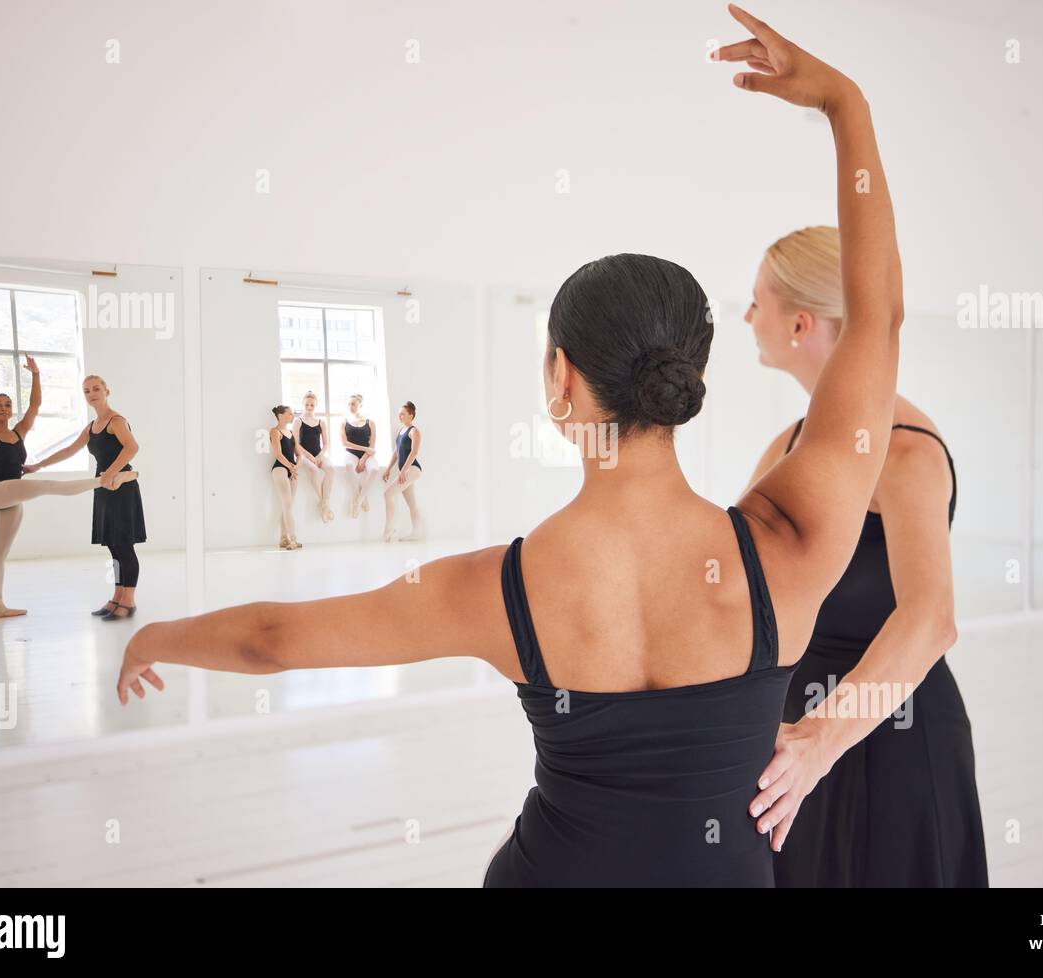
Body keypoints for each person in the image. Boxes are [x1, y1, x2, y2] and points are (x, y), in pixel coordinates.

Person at [117, 6, 904, 886]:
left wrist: (156, 636)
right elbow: (875, 320)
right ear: (688, 377)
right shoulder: (788, 549)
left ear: (560, 380)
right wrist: (843, 104)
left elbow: (272, 639)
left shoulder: (498, 589)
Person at [742, 225, 986, 886]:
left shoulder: (908, 454)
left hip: (893, 740)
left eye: (756, 302)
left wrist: (821, 738)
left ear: (799, 323)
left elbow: (931, 619)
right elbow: (735, 580)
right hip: (798, 745)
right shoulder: (787, 447)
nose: (745, 317)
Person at [0, 355, 137, 619]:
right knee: (46, 486)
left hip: (15, 494)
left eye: (7, 404)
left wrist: (35, 375)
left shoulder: (20, 431)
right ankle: (108, 479)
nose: (3, 408)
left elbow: (35, 405)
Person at [26, 375, 148, 621]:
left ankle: (129, 600)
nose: (91, 393)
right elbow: (70, 450)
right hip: (103, 485)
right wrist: (37, 465)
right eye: (86, 390)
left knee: (124, 546)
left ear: (106, 390)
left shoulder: (117, 420)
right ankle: (117, 597)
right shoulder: (92, 426)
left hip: (120, 486)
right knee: (113, 547)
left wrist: (111, 473)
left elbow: (132, 448)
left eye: (96, 388)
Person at [381, 401, 423, 542]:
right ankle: (416, 533)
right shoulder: (401, 431)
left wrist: (403, 471)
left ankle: (389, 529)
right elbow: (396, 452)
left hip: (412, 469)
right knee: (412, 504)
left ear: (411, 415)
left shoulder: (414, 431)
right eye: (399, 414)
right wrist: (388, 469)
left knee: (388, 494)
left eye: (403, 414)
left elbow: (414, 452)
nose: (400, 416)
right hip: (405, 470)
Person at [294, 391, 334, 522]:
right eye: (307, 405)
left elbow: (326, 444)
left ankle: (324, 503)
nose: (309, 407)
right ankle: (324, 504)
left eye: (312, 405)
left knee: (331, 469)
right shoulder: (298, 421)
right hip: (303, 455)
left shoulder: (321, 422)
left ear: (316, 405)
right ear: (303, 404)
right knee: (313, 470)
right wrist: (310, 456)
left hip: (319, 454)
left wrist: (320, 455)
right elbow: (295, 444)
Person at [340, 393, 379, 519]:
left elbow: (372, 445)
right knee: (348, 465)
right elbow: (344, 443)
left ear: (360, 405)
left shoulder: (371, 422)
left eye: (353, 404)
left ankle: (357, 501)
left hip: (367, 454)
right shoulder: (344, 422)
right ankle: (361, 496)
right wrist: (365, 449)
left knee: (374, 470)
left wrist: (363, 458)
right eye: (349, 404)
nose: (350, 406)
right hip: (350, 452)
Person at [269, 406, 302, 549]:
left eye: (292, 414)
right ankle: (293, 539)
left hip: (292, 470)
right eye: (289, 414)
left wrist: (296, 467)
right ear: (280, 415)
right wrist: (290, 467)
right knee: (287, 505)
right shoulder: (274, 431)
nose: (292, 416)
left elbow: (299, 454)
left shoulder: (291, 433)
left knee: (287, 506)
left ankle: (283, 538)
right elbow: (278, 454)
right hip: (280, 468)